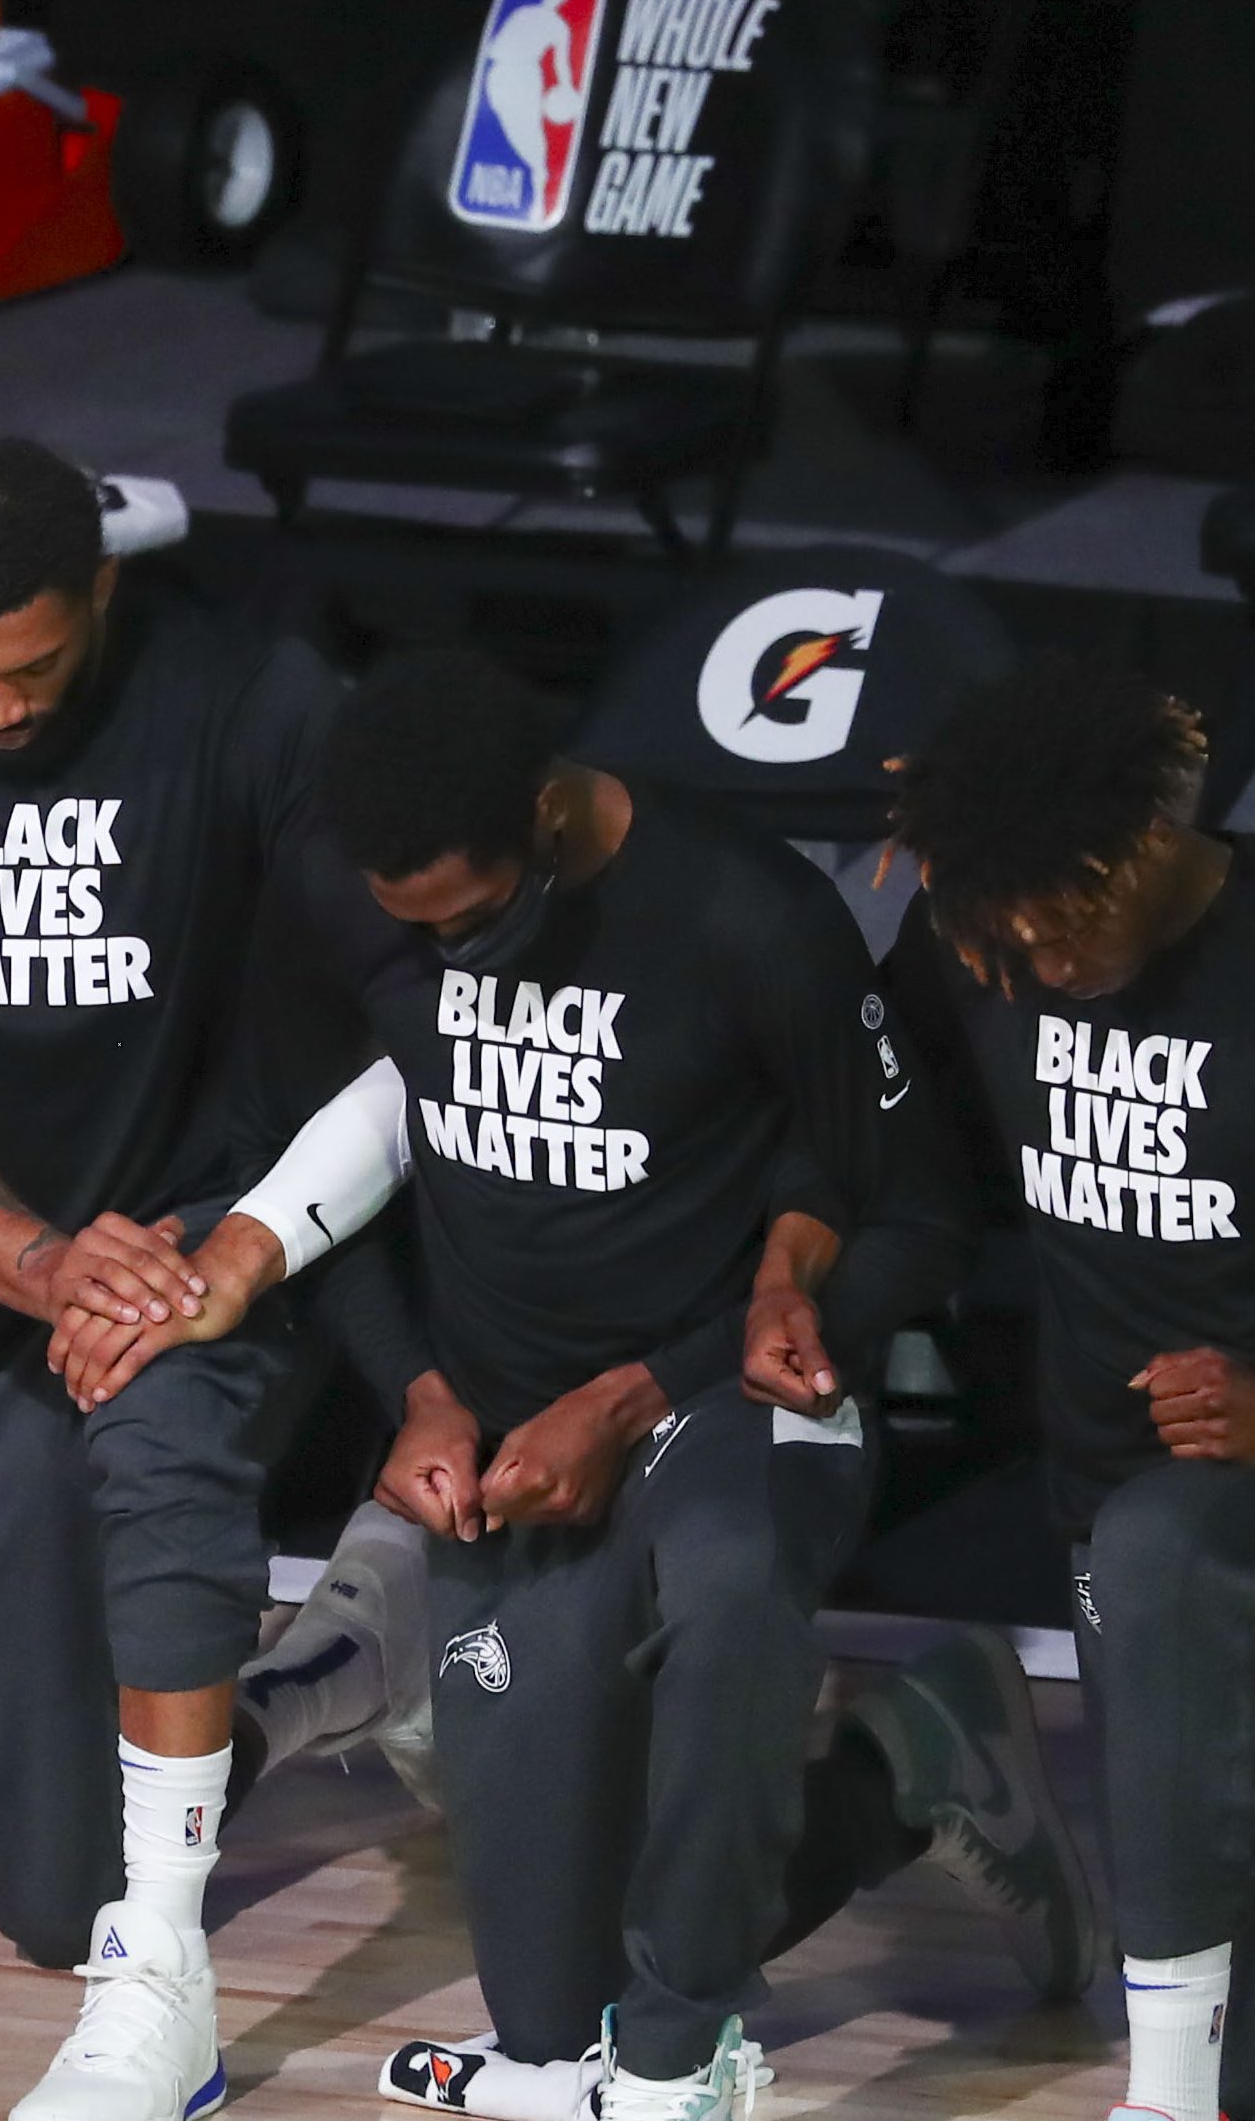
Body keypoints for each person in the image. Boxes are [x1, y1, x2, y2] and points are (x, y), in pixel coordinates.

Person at [229, 649, 1099, 2121]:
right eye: (416, 931)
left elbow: (920, 1217)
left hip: (733, 1394)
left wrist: (648, 1387)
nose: (447, 956)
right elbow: (315, 1177)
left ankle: (678, 2056)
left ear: (549, 817)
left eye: (476, 918)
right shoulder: (338, 889)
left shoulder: (746, 916)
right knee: (546, 2006)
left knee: (728, 1585)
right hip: (508, 1433)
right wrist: (418, 1390)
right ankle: (911, 1765)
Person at [0, 435, 447, 2121]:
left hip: (209, 1244)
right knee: (47, 1889)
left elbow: (427, 1011)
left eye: (35, 667)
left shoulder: (253, 700)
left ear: (105, 591)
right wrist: (55, 1263)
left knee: (159, 1446)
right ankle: (323, 1672)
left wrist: (230, 1247)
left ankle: (170, 1997)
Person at [883, 667, 1255, 2121]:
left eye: (1063, 917)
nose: (1035, 958)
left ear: (1150, 837)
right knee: (1230, 1894)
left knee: (1171, 1561)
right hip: (1116, 1480)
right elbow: (902, 1163)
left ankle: (1157, 2100)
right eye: (1002, 935)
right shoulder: (975, 936)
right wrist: (800, 1274)